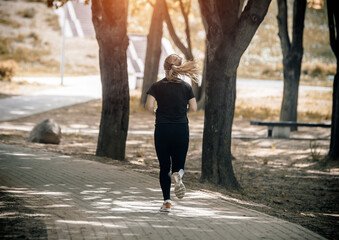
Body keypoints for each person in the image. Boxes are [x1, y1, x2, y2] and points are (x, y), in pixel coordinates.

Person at [145, 54, 199, 212]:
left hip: (162, 128)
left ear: (164, 67)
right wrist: (181, 113)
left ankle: (167, 202)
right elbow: (194, 108)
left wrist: (158, 114)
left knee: (164, 167)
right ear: (180, 68)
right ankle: (178, 175)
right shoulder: (186, 87)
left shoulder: (156, 86)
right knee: (178, 164)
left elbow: (149, 107)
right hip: (181, 128)